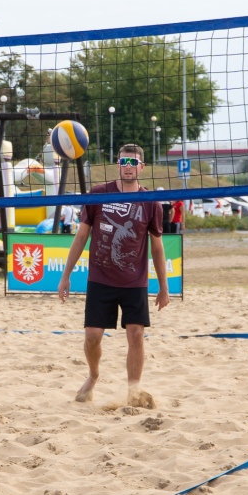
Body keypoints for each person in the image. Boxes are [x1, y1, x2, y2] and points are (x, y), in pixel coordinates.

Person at [57, 144, 169, 407]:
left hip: (134, 281)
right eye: (124, 161)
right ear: (117, 164)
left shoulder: (150, 202)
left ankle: (134, 390)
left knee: (136, 335)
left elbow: (157, 246)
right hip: (100, 278)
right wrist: (66, 275)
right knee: (92, 336)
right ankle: (94, 375)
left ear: (142, 167)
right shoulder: (98, 194)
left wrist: (163, 287)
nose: (128, 165)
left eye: (133, 161)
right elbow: (82, 236)